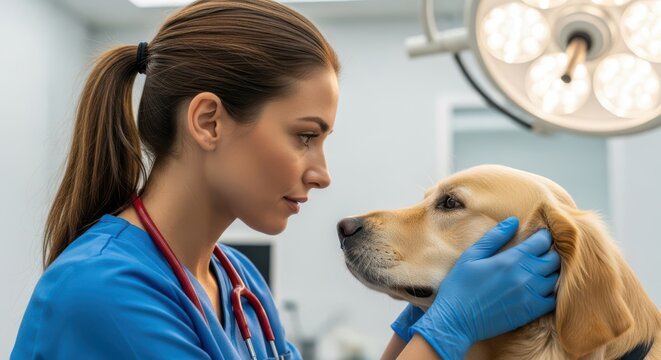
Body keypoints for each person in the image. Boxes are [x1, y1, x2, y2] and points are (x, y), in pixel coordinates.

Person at [10, 0, 560, 359]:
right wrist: (447, 329)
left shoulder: (237, 281)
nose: (321, 173)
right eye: (304, 136)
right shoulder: (105, 292)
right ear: (208, 122)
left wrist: (424, 314)